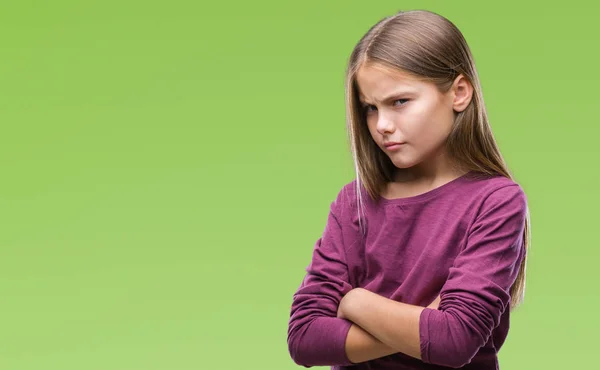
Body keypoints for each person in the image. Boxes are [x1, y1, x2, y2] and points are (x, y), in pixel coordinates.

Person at [287, 9, 531, 370]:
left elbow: (453, 341)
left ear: (459, 93)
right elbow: (305, 338)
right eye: (370, 108)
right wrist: (421, 326)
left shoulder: (496, 202)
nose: (382, 125)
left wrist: (355, 302)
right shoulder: (353, 203)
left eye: (400, 102)